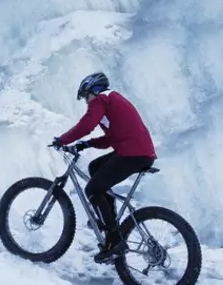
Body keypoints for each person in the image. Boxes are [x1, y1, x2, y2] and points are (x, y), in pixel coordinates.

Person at [52, 72, 156, 261]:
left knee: (92, 188)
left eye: (85, 96)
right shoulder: (113, 100)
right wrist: (86, 144)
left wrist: (62, 139)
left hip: (132, 154)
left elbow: (86, 125)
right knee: (95, 167)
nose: (86, 101)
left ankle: (113, 239)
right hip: (138, 152)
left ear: (93, 89)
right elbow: (111, 138)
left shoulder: (101, 99)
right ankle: (111, 219)